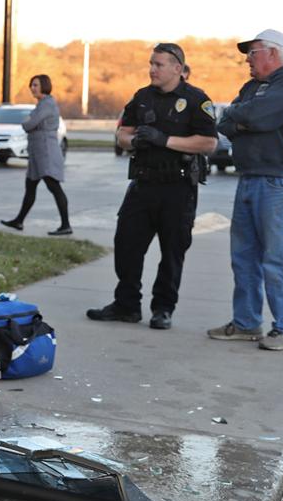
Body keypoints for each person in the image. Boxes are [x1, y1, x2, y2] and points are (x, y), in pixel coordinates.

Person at [87, 43, 217, 330]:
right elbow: (122, 133)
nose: (152, 69)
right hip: (143, 184)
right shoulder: (142, 96)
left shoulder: (196, 100)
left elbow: (209, 143)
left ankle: (163, 309)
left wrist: (164, 140)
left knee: (172, 251)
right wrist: (134, 141)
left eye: (158, 64)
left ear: (177, 68)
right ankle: (126, 305)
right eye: (151, 63)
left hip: (178, 187)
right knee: (126, 244)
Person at [207, 29, 283, 351]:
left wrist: (244, 117)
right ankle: (247, 322)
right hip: (249, 178)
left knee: (276, 259)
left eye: (252, 53)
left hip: (278, 182)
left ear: (273, 54)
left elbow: (256, 116)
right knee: (244, 257)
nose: (247, 60)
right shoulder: (252, 87)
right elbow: (224, 123)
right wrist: (243, 118)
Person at [0, 74, 72, 235]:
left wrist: (27, 121)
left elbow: (29, 124)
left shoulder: (47, 104)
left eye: (35, 85)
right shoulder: (42, 104)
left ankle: (66, 225)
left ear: (44, 86)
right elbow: (32, 123)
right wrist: (29, 121)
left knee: (54, 187)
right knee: (30, 187)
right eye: (31, 85)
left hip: (46, 152)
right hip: (37, 153)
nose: (32, 88)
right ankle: (19, 221)